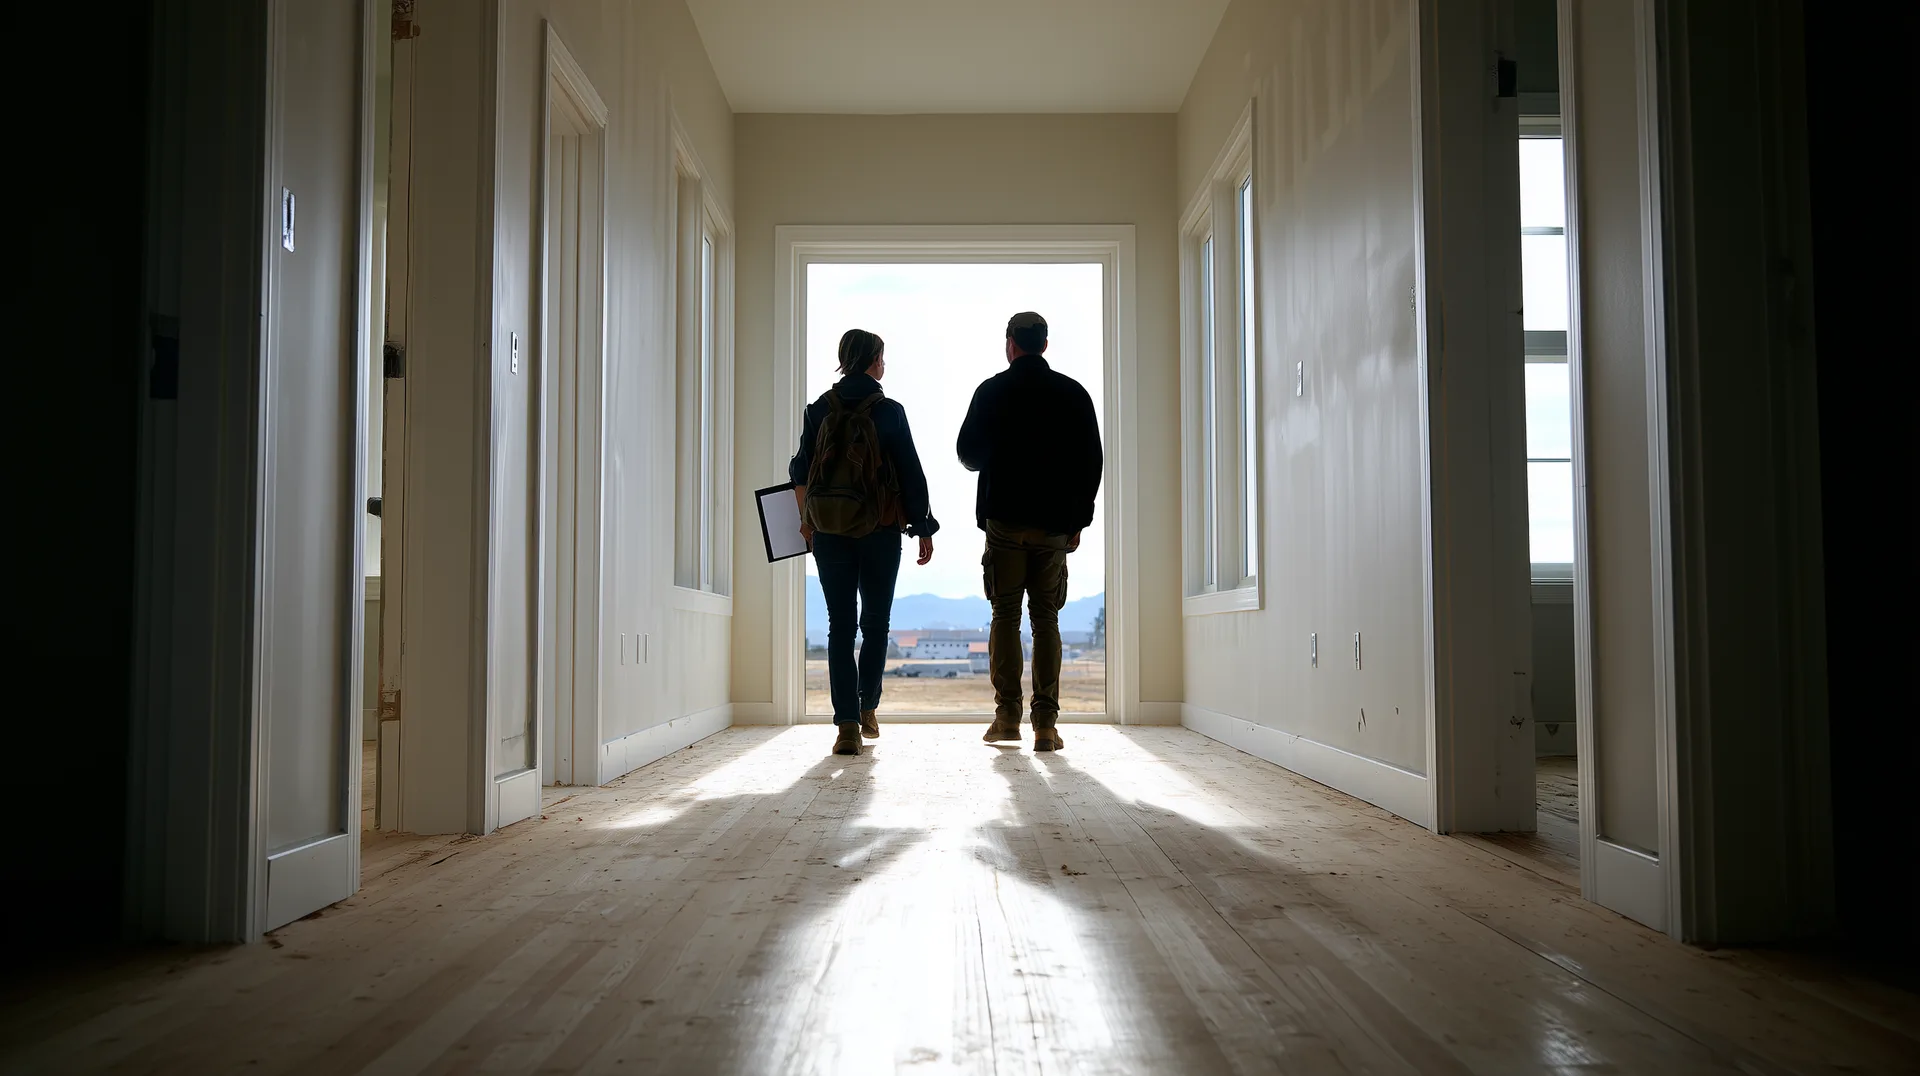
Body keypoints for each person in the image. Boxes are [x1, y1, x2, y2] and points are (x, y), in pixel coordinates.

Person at [956, 311, 1103, 752]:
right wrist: (1078, 519)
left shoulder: (992, 391)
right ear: (1044, 344)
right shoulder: (1073, 393)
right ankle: (1045, 725)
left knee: (1005, 615)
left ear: (1010, 344)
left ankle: (1006, 718)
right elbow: (1091, 463)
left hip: (1004, 521)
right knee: (1046, 619)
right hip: (1055, 524)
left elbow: (969, 455)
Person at [791, 329, 938, 756]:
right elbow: (911, 472)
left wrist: (806, 523)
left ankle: (847, 725)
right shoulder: (890, 411)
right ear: (874, 361)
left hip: (830, 532)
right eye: (882, 358)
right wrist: (922, 527)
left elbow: (801, 471)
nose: (884, 365)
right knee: (875, 624)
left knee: (841, 626)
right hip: (879, 531)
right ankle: (868, 707)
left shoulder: (818, 409)